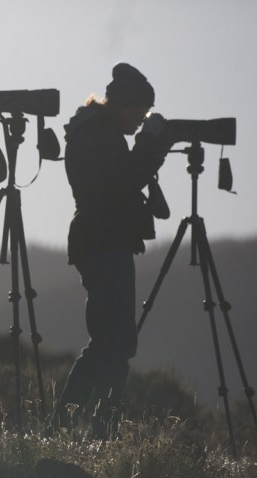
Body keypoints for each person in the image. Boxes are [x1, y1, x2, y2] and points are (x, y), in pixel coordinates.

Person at [54, 62, 172, 438]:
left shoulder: (96, 130)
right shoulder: (99, 135)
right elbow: (124, 181)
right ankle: (91, 428)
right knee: (116, 343)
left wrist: (147, 144)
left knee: (111, 342)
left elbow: (121, 180)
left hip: (100, 242)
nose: (141, 120)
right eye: (140, 112)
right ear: (123, 104)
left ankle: (78, 426)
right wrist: (150, 143)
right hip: (104, 243)